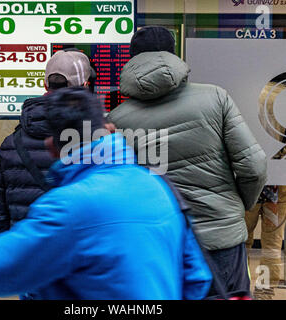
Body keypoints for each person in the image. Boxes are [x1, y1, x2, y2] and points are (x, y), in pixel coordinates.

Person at [0, 87, 212, 300]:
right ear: (110, 130)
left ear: (52, 147)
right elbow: (197, 279)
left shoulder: (68, 207)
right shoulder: (157, 187)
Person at [107, 26, 267, 299]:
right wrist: (235, 204)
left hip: (158, 244)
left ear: (132, 60)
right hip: (221, 240)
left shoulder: (117, 120)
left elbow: (118, 190)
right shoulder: (216, 98)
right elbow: (254, 165)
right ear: (174, 56)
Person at [0, 49, 94, 233]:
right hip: (75, 255)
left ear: (45, 85)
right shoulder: (95, 142)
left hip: (23, 254)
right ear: (84, 87)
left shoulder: (11, 144)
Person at [246, 81, 286, 299]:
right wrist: (284, 160)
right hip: (278, 183)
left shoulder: (244, 91)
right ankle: (264, 292)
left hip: (245, 180)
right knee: (272, 245)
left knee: (239, 241)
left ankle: (239, 288)